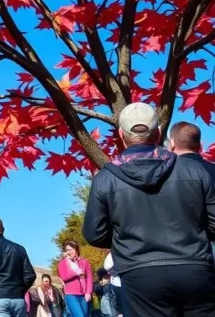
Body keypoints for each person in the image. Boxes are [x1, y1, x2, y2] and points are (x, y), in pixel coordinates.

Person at [82, 102, 215, 315]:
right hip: (194, 268)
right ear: (160, 132)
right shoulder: (193, 170)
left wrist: (124, 238)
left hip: (140, 275)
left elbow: (94, 233)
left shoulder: (106, 179)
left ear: (121, 135)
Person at [57, 241, 92, 317]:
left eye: (70, 249)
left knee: (85, 315)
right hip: (71, 295)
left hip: (83, 294)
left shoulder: (84, 261)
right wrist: (76, 273)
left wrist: (88, 292)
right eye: (67, 250)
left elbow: (89, 278)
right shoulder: (62, 262)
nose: (68, 252)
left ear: (76, 249)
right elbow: (64, 277)